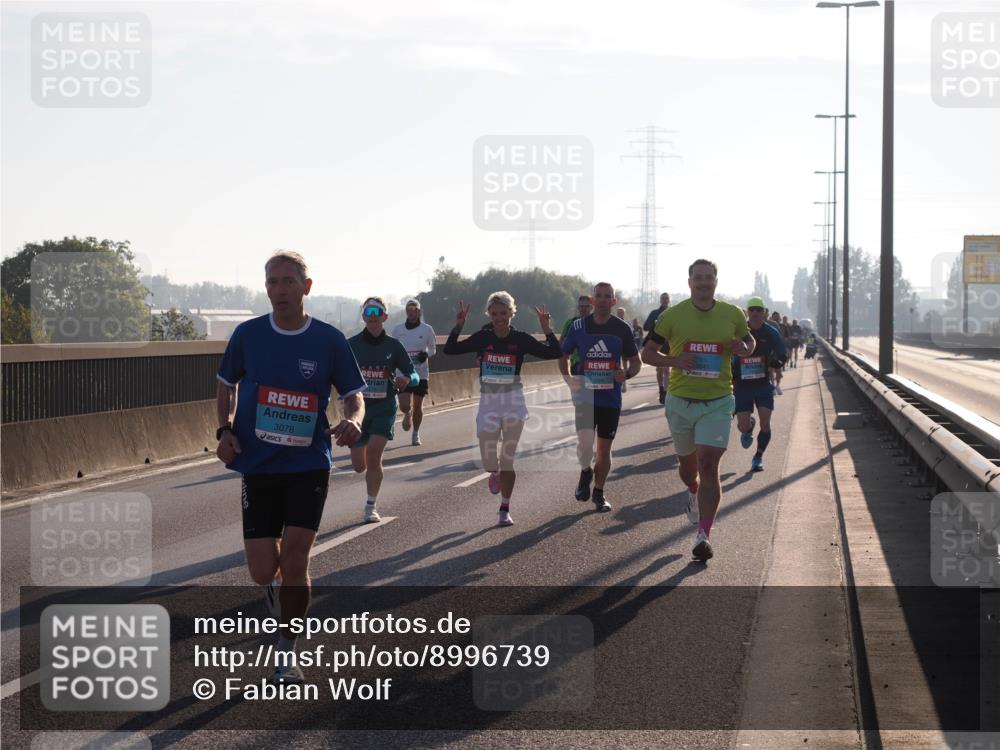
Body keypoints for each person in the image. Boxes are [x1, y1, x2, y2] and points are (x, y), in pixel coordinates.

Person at [216, 250, 366, 685]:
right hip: (259, 464)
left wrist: (355, 420)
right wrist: (224, 430)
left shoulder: (328, 340)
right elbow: (226, 385)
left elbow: (353, 395)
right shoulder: (248, 335)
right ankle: (274, 587)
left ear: (306, 287)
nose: (279, 290)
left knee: (297, 558)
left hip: (308, 463)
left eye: (288, 281)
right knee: (263, 570)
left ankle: (287, 650)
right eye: (272, 282)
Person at [641, 260, 755, 562]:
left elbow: (749, 341)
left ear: (716, 281)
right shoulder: (672, 316)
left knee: (708, 464)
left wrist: (744, 348)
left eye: (709, 278)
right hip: (681, 401)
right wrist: (676, 361)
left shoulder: (732, 314)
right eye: (699, 278)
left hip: (718, 401)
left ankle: (704, 535)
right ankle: (692, 489)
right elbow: (647, 353)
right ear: (690, 281)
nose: (704, 282)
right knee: (689, 470)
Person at [444, 292, 561, 526]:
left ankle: (504, 509)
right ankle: (494, 473)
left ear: (511, 313)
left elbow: (554, 352)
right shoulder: (483, 337)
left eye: (504, 313)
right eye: (495, 313)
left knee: (507, 459)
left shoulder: (521, 339)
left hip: (513, 402)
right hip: (489, 402)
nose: (499, 318)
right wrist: (458, 326)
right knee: (490, 462)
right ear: (489, 314)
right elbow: (450, 350)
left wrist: (547, 329)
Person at [560, 283, 642, 513]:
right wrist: (569, 380)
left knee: (604, 450)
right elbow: (563, 355)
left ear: (613, 301)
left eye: (608, 296)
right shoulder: (578, 327)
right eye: (599, 296)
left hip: (610, 400)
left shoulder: (622, 328)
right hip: (585, 398)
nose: (603, 300)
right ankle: (585, 471)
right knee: (585, 446)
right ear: (592, 300)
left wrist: (626, 374)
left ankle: (599, 492)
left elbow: (636, 362)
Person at [349, 297, 420, 523]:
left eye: (377, 311)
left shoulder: (393, 346)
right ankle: (369, 491)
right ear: (363, 315)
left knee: (374, 456)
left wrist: (407, 379)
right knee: (358, 466)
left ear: (385, 316)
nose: (372, 316)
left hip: (384, 407)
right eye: (368, 311)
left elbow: (414, 374)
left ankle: (371, 506)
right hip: (357, 410)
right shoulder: (351, 345)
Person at [733, 298, 787, 472]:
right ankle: (749, 426)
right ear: (747, 312)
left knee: (766, 423)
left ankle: (758, 456)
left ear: (764, 312)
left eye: (759, 310)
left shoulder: (771, 332)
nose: (755, 313)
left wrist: (778, 362)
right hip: (742, 386)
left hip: (763, 384)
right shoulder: (739, 331)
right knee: (742, 426)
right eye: (752, 310)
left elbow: (782, 352)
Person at [392, 299, 436, 446]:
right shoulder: (398, 330)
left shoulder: (427, 329)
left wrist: (426, 354)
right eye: (409, 310)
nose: (412, 312)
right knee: (404, 405)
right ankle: (407, 413)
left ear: (419, 312)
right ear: (406, 312)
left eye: (415, 309)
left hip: (420, 373)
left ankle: (416, 433)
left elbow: (433, 349)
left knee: (418, 406)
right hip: (403, 373)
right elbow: (392, 349)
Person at [643, 292, 672, 404]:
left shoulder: (672, 312)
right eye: (663, 298)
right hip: (656, 344)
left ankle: (666, 392)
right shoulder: (654, 313)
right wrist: (656, 324)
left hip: (668, 344)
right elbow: (645, 326)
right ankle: (661, 389)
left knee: (666, 370)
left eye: (666, 298)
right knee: (659, 370)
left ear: (669, 300)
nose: (665, 300)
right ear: (660, 300)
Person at [560, 295, 594, 376]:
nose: (584, 309)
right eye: (581, 306)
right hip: (576, 363)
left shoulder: (597, 323)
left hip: (593, 364)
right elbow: (562, 343)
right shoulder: (570, 323)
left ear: (591, 308)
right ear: (578, 307)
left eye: (586, 306)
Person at [769, 311, 790, 395]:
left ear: (779, 318)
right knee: (770, 370)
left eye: (777, 317)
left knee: (779, 371)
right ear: (772, 317)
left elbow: (786, 338)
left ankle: (777, 385)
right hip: (770, 351)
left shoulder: (783, 326)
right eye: (775, 317)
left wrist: (784, 348)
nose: (776, 318)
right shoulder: (769, 325)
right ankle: (773, 386)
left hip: (779, 352)